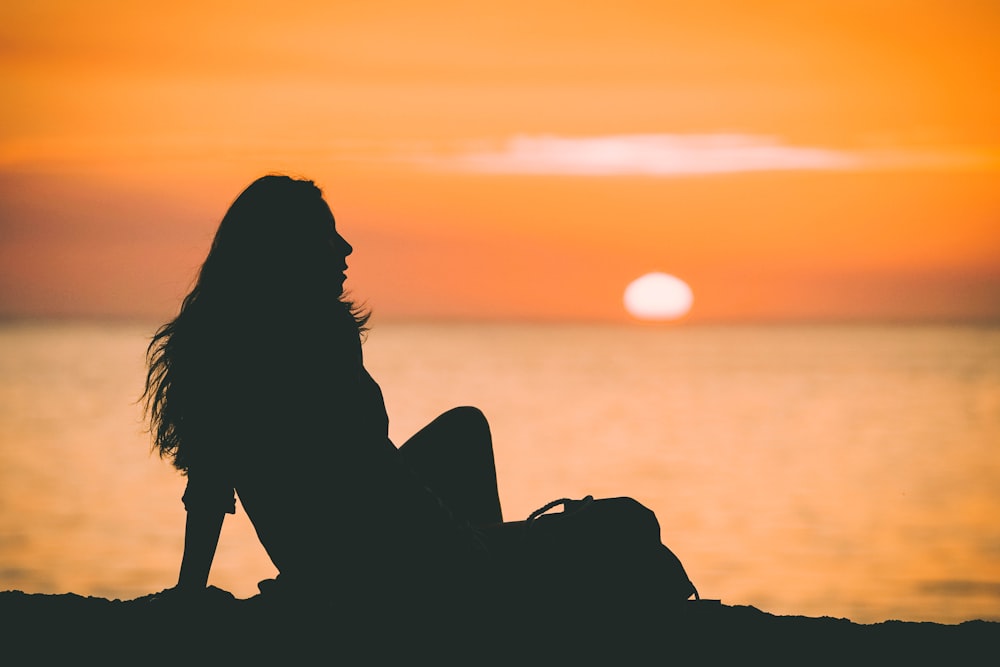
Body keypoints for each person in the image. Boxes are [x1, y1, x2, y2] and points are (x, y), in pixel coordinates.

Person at [143, 175, 508, 624]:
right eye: (327, 234)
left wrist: (189, 589)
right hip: (375, 560)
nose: (346, 247)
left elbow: (209, 483)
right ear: (289, 249)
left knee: (462, 428)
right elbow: (372, 467)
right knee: (599, 525)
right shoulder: (320, 333)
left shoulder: (215, 345)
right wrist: (464, 549)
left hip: (314, 562)